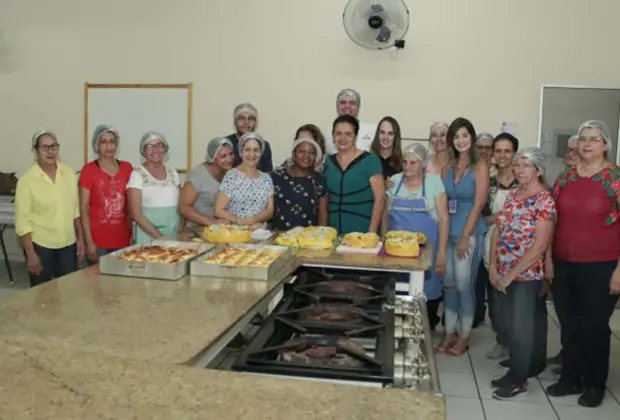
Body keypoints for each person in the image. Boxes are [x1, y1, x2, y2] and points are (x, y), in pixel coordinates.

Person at [546, 120, 620, 408]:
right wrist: (549, 258)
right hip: (565, 262)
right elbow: (552, 220)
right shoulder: (565, 178)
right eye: (583, 138)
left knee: (595, 326)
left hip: (601, 265)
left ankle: (594, 383)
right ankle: (570, 376)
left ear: (605, 145)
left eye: (594, 139)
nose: (587, 143)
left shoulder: (615, 179)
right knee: (569, 323)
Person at [488, 147, 555, 400]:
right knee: (508, 324)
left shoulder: (544, 200)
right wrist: (494, 266)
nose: (518, 169)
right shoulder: (515, 195)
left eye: (525, 165)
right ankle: (514, 369)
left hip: (525, 276)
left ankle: (519, 379)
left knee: (521, 328)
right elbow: (499, 229)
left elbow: (539, 246)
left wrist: (510, 275)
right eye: (517, 165)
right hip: (504, 271)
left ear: (538, 171)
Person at [435, 117, 489, 356]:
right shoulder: (448, 167)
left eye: (465, 135)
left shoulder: (480, 167)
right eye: (456, 137)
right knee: (449, 285)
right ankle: (449, 332)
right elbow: (443, 203)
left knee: (465, 285)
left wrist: (465, 236)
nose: (460, 141)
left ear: (472, 138)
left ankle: (464, 336)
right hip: (449, 233)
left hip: (470, 234)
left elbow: (478, 205)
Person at [382, 143, 449, 330]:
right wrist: (382, 242)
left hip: (427, 250)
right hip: (396, 251)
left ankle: (425, 327)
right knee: (399, 289)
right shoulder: (394, 182)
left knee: (428, 289)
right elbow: (385, 214)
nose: (407, 166)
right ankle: (399, 328)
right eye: (404, 162)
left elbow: (444, 218)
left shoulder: (434, 183)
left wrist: (441, 252)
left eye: (413, 162)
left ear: (423, 164)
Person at [15, 130, 84, 286]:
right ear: (36, 151)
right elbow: (23, 223)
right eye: (45, 147)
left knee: (69, 291)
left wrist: (80, 239)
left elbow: (75, 210)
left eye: (54, 146)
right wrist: (31, 254)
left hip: (68, 244)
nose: (50, 151)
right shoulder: (27, 181)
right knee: (42, 295)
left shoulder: (68, 173)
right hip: (41, 246)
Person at [481, 133, 519, 360]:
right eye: (498, 151)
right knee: (495, 298)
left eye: (507, 151)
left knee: (518, 301)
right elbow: (483, 218)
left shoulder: (524, 178)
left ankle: (519, 345)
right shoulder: (489, 183)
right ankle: (501, 340)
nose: (502, 155)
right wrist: (505, 215)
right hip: (492, 248)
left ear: (514, 153)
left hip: (520, 252)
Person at [546, 133, 580, 371]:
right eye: (568, 149)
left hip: (593, 259)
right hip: (561, 252)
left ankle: (582, 364)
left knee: (586, 317)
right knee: (565, 311)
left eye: (574, 150)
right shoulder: (564, 178)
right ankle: (568, 355)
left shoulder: (609, 179)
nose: (569, 154)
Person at [78, 125, 133, 264]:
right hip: (98, 243)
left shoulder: (127, 168)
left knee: (121, 284)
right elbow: (83, 208)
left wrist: (133, 235)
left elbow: (132, 205)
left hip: (123, 240)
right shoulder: (88, 170)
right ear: (97, 145)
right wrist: (89, 241)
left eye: (112, 142)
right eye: (104, 142)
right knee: (98, 284)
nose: (109, 146)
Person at [323, 115, 385, 234]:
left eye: (348, 134)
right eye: (338, 133)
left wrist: (371, 233)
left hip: (361, 233)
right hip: (332, 235)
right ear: (333, 136)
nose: (342, 138)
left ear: (355, 137)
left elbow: (380, 200)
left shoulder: (370, 160)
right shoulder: (328, 162)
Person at [127, 132, 181, 244]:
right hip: (147, 235)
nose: (155, 150)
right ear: (143, 151)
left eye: (159, 145)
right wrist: (159, 237)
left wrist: (180, 229)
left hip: (172, 234)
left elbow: (181, 204)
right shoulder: (137, 174)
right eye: (149, 146)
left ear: (165, 149)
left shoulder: (173, 172)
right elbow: (134, 212)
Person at [214, 132, 274, 224]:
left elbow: (269, 211)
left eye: (256, 150)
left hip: (260, 233)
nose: (252, 154)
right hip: (236, 233)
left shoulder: (266, 178)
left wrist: (253, 221)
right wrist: (239, 221)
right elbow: (218, 210)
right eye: (247, 150)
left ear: (261, 153)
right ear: (241, 152)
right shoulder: (231, 176)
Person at [270, 137, 328, 231]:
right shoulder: (276, 177)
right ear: (293, 155)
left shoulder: (319, 180)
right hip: (280, 239)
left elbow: (323, 215)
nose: (307, 156)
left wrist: (321, 236)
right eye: (302, 151)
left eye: (312, 153)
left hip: (308, 240)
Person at [178, 137, 235, 227]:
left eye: (231, 154)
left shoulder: (230, 174)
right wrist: (212, 222)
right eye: (223, 156)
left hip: (221, 231)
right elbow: (184, 208)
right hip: (196, 231)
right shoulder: (198, 174)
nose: (229, 159)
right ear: (212, 157)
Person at [325, 89, 377, 155]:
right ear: (337, 107)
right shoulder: (328, 135)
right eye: (343, 102)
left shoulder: (373, 131)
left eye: (352, 103)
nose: (347, 106)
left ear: (358, 107)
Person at [225, 103, 273, 172]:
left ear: (255, 123)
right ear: (235, 122)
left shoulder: (264, 145)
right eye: (241, 118)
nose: (246, 122)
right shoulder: (226, 144)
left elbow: (268, 174)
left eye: (251, 119)